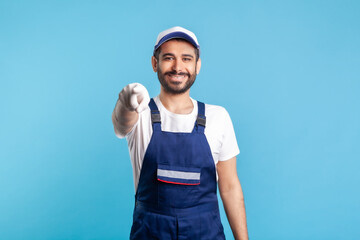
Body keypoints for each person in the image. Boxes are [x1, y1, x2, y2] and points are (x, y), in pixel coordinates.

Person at [112, 26, 249, 240]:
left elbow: (230, 187)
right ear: (154, 63)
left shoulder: (218, 117)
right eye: (169, 58)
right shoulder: (140, 113)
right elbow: (120, 125)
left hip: (206, 233)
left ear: (197, 65)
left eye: (186, 58)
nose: (178, 67)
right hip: (150, 233)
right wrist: (126, 101)